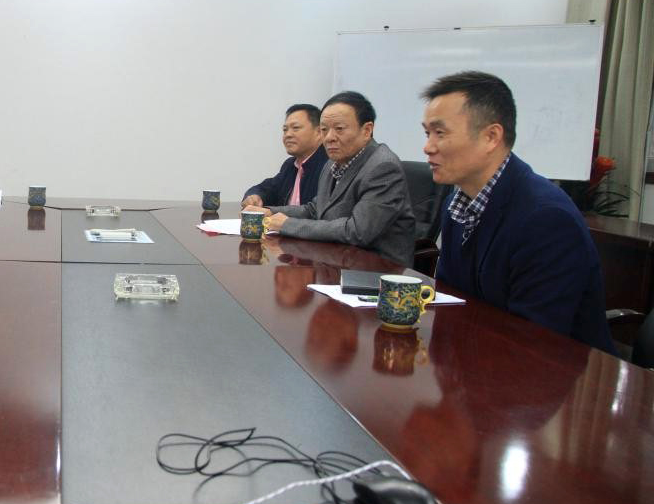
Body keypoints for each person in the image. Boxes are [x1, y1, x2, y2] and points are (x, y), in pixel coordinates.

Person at [421, 70, 613, 352]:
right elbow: (450, 298)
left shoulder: (546, 219)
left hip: (555, 370)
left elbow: (535, 341)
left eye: (440, 133)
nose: (427, 147)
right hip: (477, 355)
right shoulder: (457, 203)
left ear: (491, 136)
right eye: (427, 133)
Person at [257, 92, 416, 267]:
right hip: (334, 263)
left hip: (376, 271)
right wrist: (269, 212)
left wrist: (287, 225)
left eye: (339, 129)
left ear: (367, 130)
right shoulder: (333, 163)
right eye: (324, 130)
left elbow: (356, 232)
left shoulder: (383, 167)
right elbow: (315, 210)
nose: (329, 137)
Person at [241, 104, 328, 208]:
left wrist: (273, 212)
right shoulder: (290, 165)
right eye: (285, 130)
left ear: (319, 132)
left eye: (295, 128)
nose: (288, 134)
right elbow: (268, 188)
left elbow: (314, 211)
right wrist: (255, 196)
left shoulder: (329, 166)